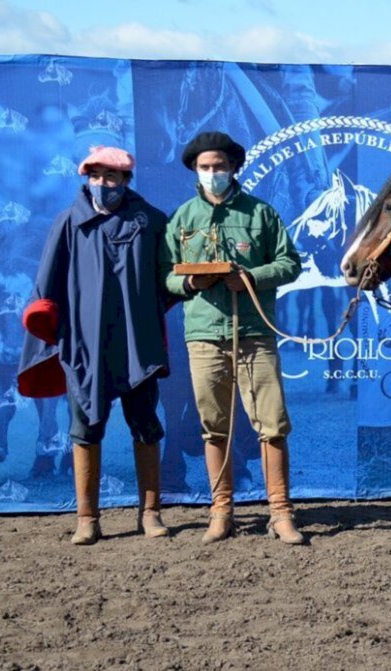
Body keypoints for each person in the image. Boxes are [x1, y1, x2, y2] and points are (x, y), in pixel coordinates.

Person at [17, 146, 170, 545]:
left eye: (112, 177)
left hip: (138, 343)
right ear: (86, 178)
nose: (104, 184)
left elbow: (167, 282)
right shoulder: (68, 222)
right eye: (96, 176)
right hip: (86, 345)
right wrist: (48, 324)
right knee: (85, 428)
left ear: (126, 181)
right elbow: (46, 285)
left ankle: (150, 513)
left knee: (147, 425)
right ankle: (88, 517)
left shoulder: (152, 221)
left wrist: (148, 312)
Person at [159, 131, 305, 545]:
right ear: (194, 170)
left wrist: (251, 278)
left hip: (254, 334)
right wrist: (190, 285)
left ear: (234, 167)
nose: (212, 173)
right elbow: (167, 277)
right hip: (204, 335)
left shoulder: (261, 214)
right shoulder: (182, 218)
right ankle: (221, 511)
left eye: (219, 166)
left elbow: (290, 263)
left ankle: (280, 512)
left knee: (272, 424)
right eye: (204, 168)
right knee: (213, 427)